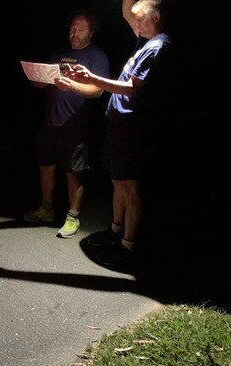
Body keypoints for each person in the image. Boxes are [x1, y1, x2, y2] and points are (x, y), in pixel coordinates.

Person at [64, 0, 172, 264]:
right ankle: (115, 231)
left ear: (155, 17)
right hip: (118, 123)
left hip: (132, 125)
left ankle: (127, 245)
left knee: (130, 185)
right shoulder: (144, 39)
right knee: (117, 180)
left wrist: (93, 79)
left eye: (140, 20)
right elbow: (127, 11)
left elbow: (131, 89)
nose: (134, 25)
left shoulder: (159, 45)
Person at [23, 8, 110, 239]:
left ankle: (73, 217)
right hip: (50, 121)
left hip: (74, 125)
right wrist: (42, 82)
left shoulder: (96, 56)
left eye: (81, 29)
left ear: (91, 32)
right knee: (46, 166)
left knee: (74, 172)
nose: (75, 33)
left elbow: (98, 91)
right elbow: (50, 79)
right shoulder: (59, 53)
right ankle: (46, 208)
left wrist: (71, 86)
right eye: (73, 28)